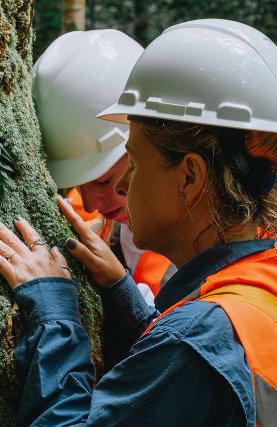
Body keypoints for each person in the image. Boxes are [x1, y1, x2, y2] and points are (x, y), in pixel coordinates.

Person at [0, 19, 277, 427]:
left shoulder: (198, 341)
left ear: (190, 176)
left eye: (135, 164)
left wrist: (54, 313)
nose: (122, 185)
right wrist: (127, 302)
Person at [32, 29, 174, 304]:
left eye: (102, 180)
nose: (91, 202)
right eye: (76, 183)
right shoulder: (81, 219)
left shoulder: (223, 242)